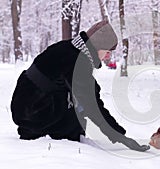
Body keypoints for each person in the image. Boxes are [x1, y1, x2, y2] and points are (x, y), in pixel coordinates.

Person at [10, 20, 150, 152]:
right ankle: (42, 134)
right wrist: (121, 137)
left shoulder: (70, 48)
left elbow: (88, 92)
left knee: (78, 107)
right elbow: (93, 106)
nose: (108, 57)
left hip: (26, 105)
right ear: (96, 46)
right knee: (77, 117)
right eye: (107, 51)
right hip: (34, 112)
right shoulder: (78, 62)